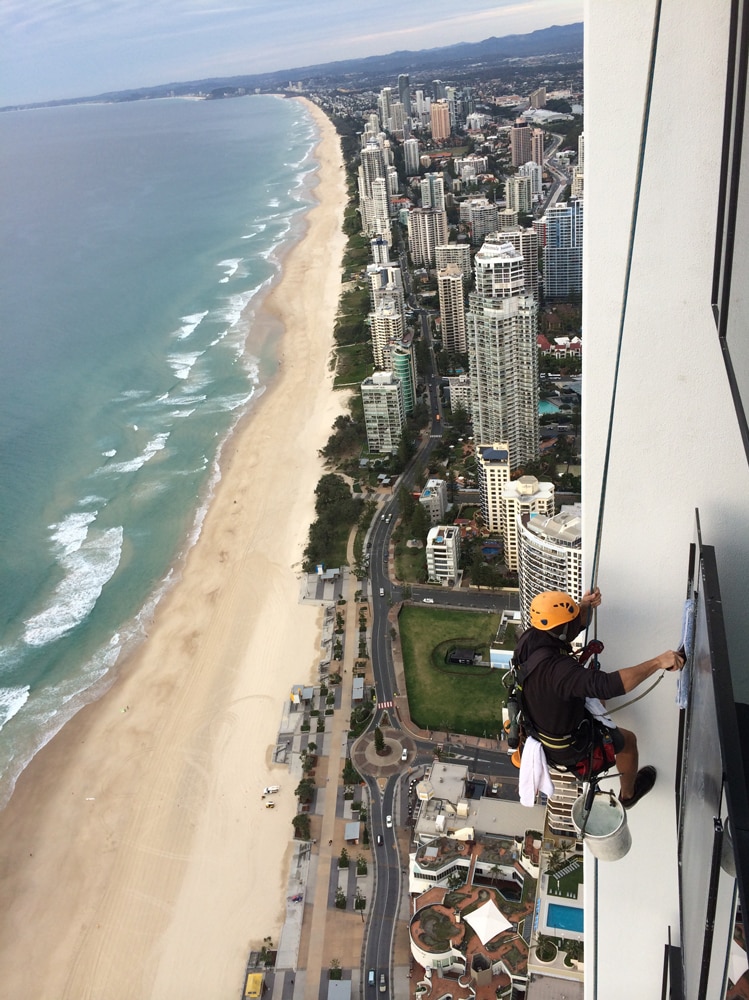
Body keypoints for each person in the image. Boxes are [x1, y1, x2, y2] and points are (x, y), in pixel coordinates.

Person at [514, 588, 684, 808]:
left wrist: (584, 605)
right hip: (568, 746)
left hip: (541, 724)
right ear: (563, 631)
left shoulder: (529, 640)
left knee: (595, 698)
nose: (578, 620)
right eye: (573, 618)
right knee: (628, 741)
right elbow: (609, 685)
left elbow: (572, 626)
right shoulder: (560, 672)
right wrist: (658, 662)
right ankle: (628, 795)